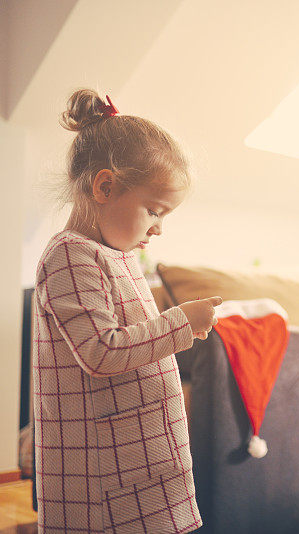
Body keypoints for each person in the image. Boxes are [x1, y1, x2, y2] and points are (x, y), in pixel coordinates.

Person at [33, 89, 222, 533]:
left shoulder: (115, 253)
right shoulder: (69, 255)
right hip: (104, 470)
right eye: (154, 210)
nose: (159, 227)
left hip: (137, 453)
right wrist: (181, 323)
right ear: (104, 186)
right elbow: (101, 351)